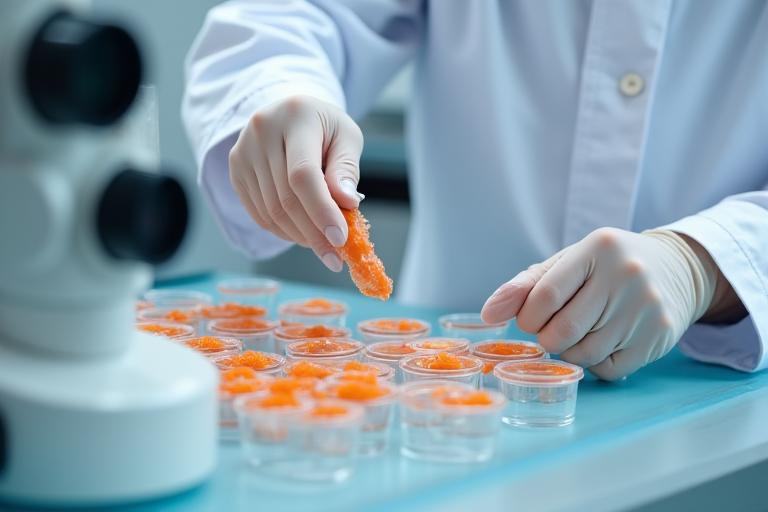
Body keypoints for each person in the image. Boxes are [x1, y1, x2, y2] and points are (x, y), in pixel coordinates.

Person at [182, 1, 767, 380]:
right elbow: (298, 14)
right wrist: (281, 95)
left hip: (714, 398)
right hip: (434, 374)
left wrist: (706, 263)